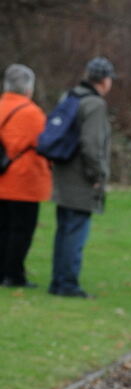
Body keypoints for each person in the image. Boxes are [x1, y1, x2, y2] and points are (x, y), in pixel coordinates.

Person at [49, 56, 114, 298]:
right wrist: (98, 174)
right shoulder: (95, 104)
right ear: (104, 81)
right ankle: (67, 284)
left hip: (63, 172)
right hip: (81, 176)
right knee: (76, 231)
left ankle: (58, 281)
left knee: (64, 229)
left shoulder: (70, 96)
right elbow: (91, 143)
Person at [0, 64, 51, 288]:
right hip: (23, 181)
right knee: (21, 231)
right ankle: (13, 274)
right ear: (29, 88)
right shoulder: (32, 113)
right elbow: (45, 144)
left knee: (2, 229)